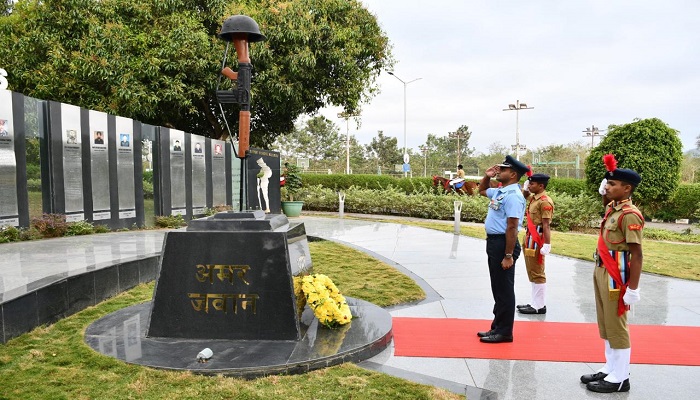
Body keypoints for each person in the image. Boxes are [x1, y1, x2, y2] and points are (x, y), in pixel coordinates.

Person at [581, 153, 643, 393]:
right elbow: (606, 200)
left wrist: (633, 289)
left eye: (613, 184)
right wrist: (605, 190)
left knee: (617, 325)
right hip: (602, 269)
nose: (607, 187)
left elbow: (637, 254)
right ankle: (610, 367)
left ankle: (621, 378)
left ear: (627, 188)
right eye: (607, 183)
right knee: (606, 323)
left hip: (617, 274)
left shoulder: (629, 215)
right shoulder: (613, 208)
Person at [476, 155, 529, 343]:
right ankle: (497, 327)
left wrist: (508, 255)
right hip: (495, 243)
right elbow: (482, 190)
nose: (499, 171)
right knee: (497, 287)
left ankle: (505, 332)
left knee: (504, 289)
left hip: (504, 244)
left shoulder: (513, 196)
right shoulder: (501, 191)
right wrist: (487, 176)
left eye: (503, 169)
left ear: (513, 174)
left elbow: (512, 227)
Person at [517, 172, 554, 314]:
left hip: (537, 239)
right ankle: (535, 302)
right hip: (529, 237)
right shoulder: (534, 198)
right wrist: (526, 187)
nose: (530, 186)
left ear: (541, 186)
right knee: (532, 271)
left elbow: (546, 225)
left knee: (538, 272)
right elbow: (524, 196)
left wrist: (547, 243)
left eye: (532, 184)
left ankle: (539, 306)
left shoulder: (545, 201)